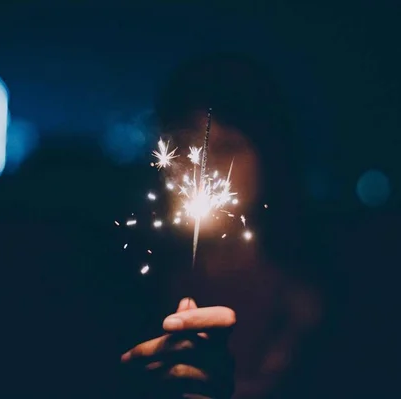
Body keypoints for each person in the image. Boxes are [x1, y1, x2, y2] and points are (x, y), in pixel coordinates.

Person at [120, 53, 323, 398]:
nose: (203, 169)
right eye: (185, 145)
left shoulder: (306, 302)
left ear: (269, 160)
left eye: (228, 147)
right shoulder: (128, 286)